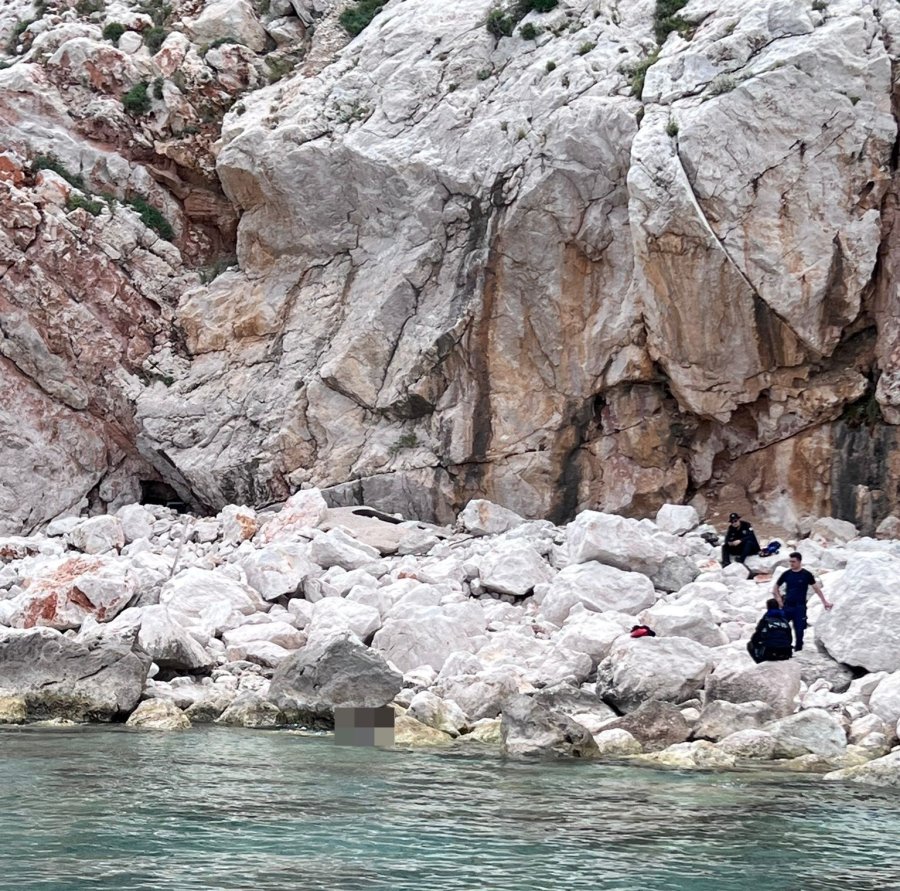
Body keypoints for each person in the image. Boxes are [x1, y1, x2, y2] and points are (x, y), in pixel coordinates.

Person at [772, 552, 833, 652]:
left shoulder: (806, 574)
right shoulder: (786, 574)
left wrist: (825, 602)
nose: (791, 564)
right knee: (781, 629)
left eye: (793, 562)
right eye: (790, 561)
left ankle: (798, 652)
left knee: (799, 632)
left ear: (799, 561)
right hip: (787, 606)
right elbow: (775, 588)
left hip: (800, 607)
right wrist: (779, 600)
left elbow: (816, 589)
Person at [747, 599, 794, 663]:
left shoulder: (765, 620)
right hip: (786, 652)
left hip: (770, 652)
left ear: (768, 607)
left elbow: (756, 637)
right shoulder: (785, 621)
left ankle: (760, 662)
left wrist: (759, 643)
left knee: (750, 645)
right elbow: (790, 639)